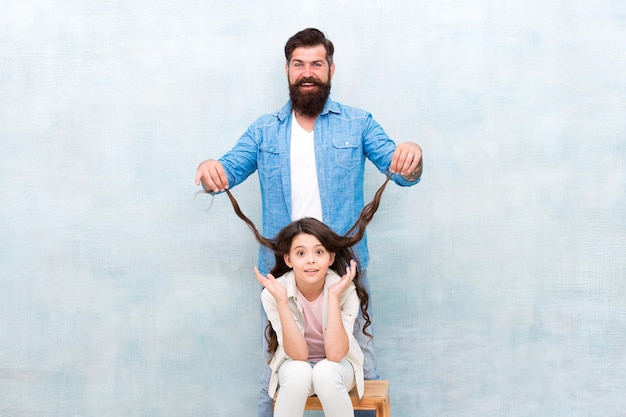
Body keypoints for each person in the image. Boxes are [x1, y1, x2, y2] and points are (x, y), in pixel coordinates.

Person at [195, 28, 423, 417]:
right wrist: (208, 168)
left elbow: (401, 170)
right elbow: (225, 171)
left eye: (316, 64)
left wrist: (412, 155)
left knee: (359, 367)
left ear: (330, 69)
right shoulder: (264, 130)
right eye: (299, 64)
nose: (307, 72)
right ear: (287, 70)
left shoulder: (359, 123)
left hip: (345, 266)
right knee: (281, 371)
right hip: (283, 272)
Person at [218, 175, 391, 417]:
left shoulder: (343, 289)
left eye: (318, 252)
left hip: (339, 368)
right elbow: (297, 355)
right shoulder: (273, 293)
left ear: (330, 258)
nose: (310, 259)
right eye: (301, 253)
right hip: (296, 366)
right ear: (288, 260)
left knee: (325, 372)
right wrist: (281, 302)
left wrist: (332, 298)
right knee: (298, 371)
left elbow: (335, 354)